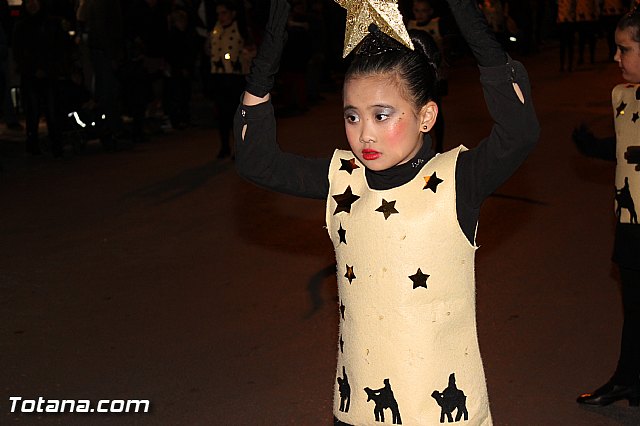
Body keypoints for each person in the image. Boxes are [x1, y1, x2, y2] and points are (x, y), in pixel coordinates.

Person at [235, 0, 539, 424]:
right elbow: (255, 161)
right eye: (352, 116)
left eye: (382, 115)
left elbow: (519, 132)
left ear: (426, 115)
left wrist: (464, 12)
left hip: (439, 410)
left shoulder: (457, 180)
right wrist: (272, 41)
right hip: (360, 402)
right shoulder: (343, 178)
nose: (365, 134)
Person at [574, 6, 640, 407]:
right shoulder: (622, 96)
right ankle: (627, 379)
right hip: (631, 221)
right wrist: (595, 147)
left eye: (625, 49)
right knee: (633, 306)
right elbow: (626, 150)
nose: (616, 58)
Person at [209, 0, 253, 159]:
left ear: (232, 13)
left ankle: (239, 148)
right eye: (218, 14)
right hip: (219, 77)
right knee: (221, 114)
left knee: (236, 115)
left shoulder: (240, 28)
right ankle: (224, 146)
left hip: (235, 78)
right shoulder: (216, 29)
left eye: (224, 12)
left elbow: (250, 51)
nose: (221, 17)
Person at [557, 0, 577, 71]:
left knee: (569, 45)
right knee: (563, 45)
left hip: (569, 21)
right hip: (562, 21)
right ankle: (563, 65)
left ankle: (569, 65)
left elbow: (574, 7)